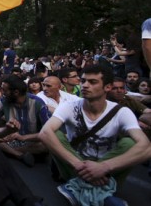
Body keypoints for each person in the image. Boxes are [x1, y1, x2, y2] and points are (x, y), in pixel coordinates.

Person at [38, 65, 151, 205]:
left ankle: (77, 189)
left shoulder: (122, 111)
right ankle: (103, 195)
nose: (85, 85)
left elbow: (146, 147)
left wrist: (103, 167)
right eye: (83, 81)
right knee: (55, 134)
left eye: (92, 82)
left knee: (130, 143)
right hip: (75, 166)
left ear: (107, 87)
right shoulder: (69, 106)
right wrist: (79, 164)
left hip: (107, 171)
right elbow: (44, 133)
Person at [0, 75, 50, 167]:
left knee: (46, 145)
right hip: (12, 141)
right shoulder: (4, 101)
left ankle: (12, 152)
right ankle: (20, 155)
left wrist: (23, 137)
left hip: (33, 141)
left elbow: (47, 132)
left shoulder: (37, 103)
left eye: (4, 90)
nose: (2, 93)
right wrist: (4, 132)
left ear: (15, 92)